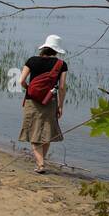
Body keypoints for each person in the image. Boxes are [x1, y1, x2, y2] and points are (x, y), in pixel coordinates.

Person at [18, 35, 68, 173]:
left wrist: (29, 89)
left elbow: (21, 81)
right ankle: (41, 162)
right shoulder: (61, 64)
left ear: (44, 47)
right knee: (47, 132)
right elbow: (62, 87)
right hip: (49, 101)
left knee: (32, 132)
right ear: (56, 50)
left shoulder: (32, 60)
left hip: (32, 100)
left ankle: (40, 165)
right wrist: (60, 105)